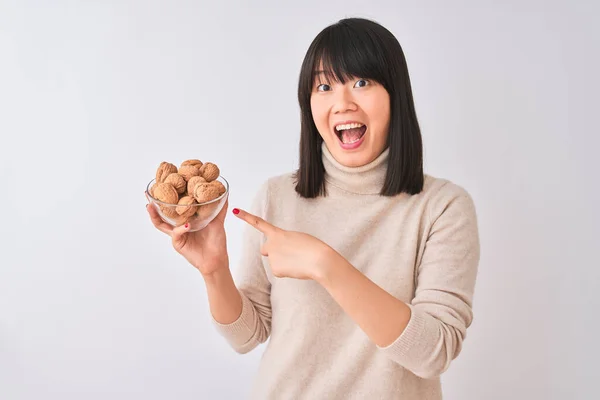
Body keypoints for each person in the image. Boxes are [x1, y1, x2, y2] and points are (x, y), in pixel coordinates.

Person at [147, 17, 480, 400]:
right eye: (324, 86)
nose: (342, 103)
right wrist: (214, 270)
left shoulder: (442, 208)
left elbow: (433, 353)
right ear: (309, 104)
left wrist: (325, 264)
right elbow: (247, 336)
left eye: (361, 82)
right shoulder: (276, 197)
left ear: (396, 94)